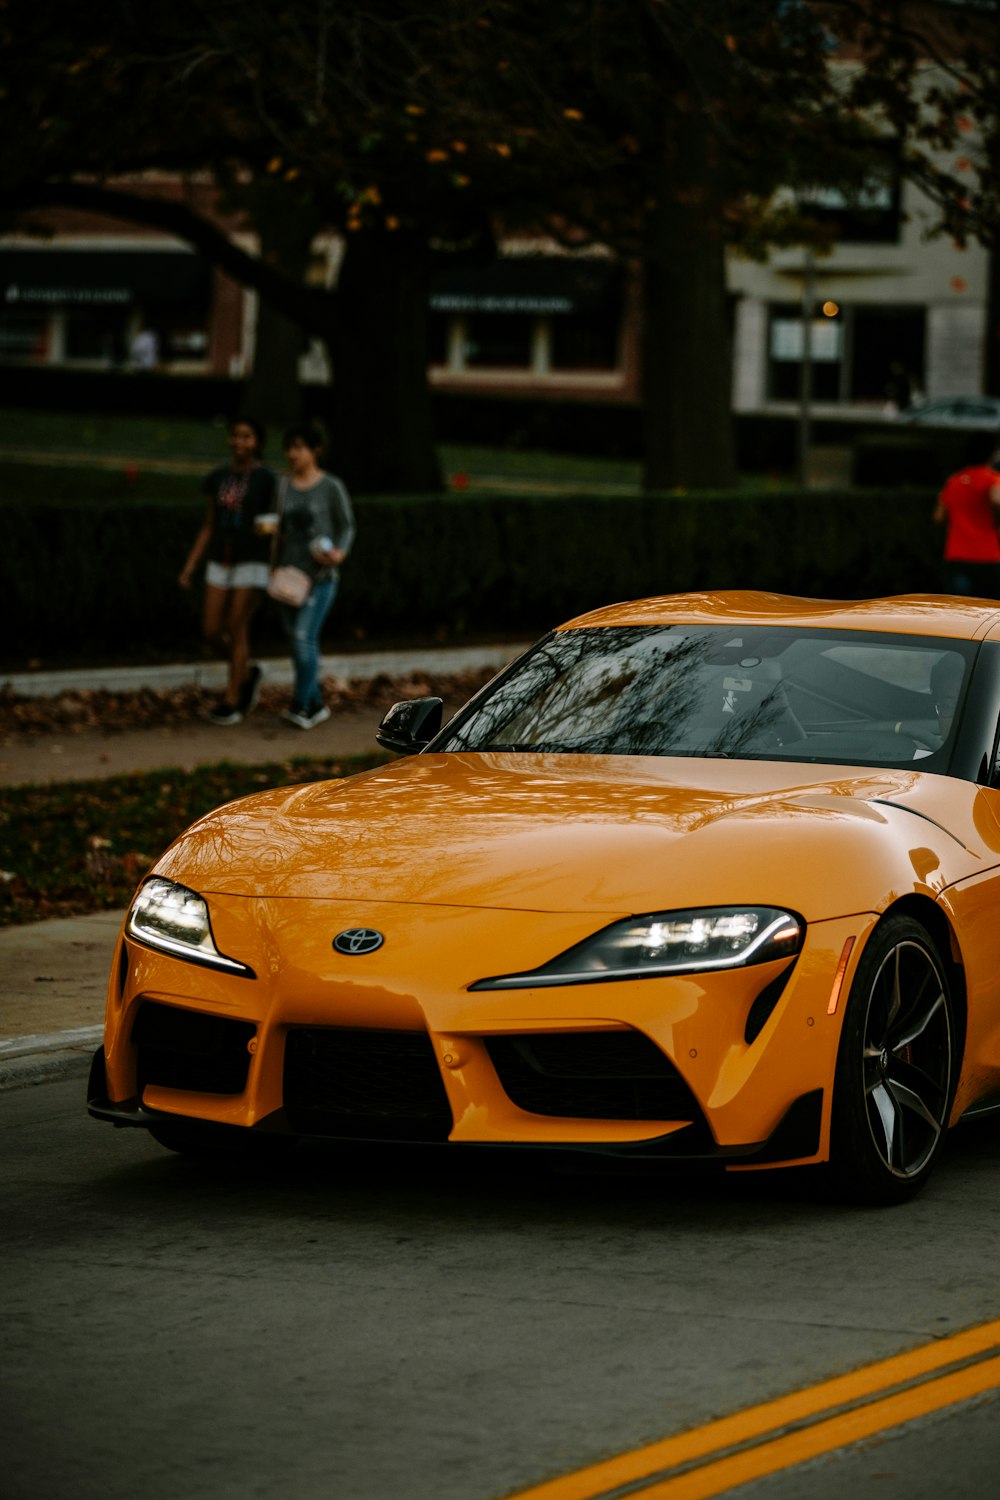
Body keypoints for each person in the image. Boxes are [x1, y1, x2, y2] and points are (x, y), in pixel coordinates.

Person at [178, 417, 277, 725]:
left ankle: (233, 699)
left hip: (252, 561)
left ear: (257, 442)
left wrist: (271, 563)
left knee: (237, 626)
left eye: (246, 436)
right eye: (235, 435)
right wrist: (191, 565)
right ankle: (246, 673)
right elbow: (209, 525)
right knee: (211, 630)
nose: (239, 441)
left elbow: (271, 525)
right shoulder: (218, 477)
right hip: (220, 561)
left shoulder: (267, 479)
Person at [274, 421, 356, 729]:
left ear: (315, 450)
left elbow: (347, 525)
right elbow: (276, 527)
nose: (292, 454)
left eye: (299, 448)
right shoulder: (283, 486)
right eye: (289, 448)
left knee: (303, 637)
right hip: (288, 577)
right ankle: (315, 702)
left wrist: (339, 553)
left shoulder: (331, 486)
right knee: (297, 642)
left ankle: (301, 703)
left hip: (321, 577)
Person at [933, 431, 1000, 597]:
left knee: (960, 611)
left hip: (957, 554)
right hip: (988, 554)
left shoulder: (953, 481)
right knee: (989, 612)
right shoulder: (992, 479)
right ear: (991, 455)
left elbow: (939, 517)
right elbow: (997, 500)